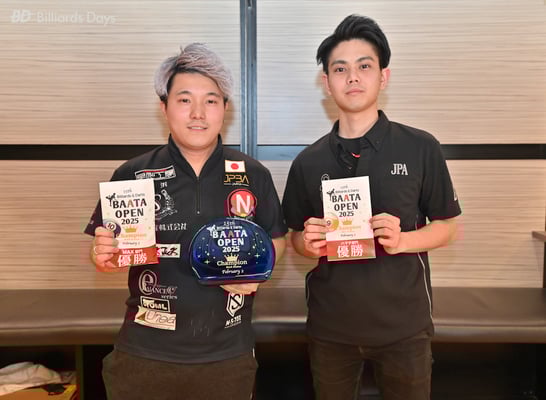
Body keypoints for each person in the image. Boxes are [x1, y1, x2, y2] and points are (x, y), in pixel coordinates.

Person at [85, 43, 287, 400]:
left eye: (210, 100)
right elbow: (103, 251)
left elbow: (277, 238)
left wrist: (258, 271)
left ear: (225, 108)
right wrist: (101, 255)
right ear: (164, 107)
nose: (198, 113)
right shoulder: (133, 174)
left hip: (227, 353)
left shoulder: (253, 174)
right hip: (144, 351)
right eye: (184, 100)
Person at [281, 15, 461, 400]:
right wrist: (306, 244)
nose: (353, 78)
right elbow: (294, 237)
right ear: (326, 82)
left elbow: (448, 227)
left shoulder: (421, 147)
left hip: (404, 327)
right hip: (331, 327)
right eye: (340, 69)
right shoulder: (308, 162)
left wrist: (403, 240)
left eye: (364, 66)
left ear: (384, 76)